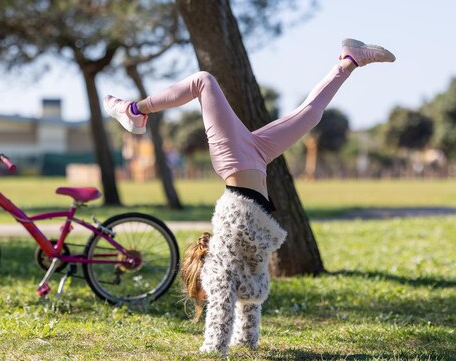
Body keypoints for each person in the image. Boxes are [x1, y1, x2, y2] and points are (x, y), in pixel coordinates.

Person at [103, 39, 395, 354]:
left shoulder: (220, 266)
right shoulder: (246, 271)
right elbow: (251, 301)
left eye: (203, 295)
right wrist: (246, 341)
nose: (208, 298)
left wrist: (213, 350)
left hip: (235, 162)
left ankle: (133, 110)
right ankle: (349, 60)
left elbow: (220, 311)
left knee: (204, 81)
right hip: (256, 156)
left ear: (203, 281)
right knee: (311, 115)